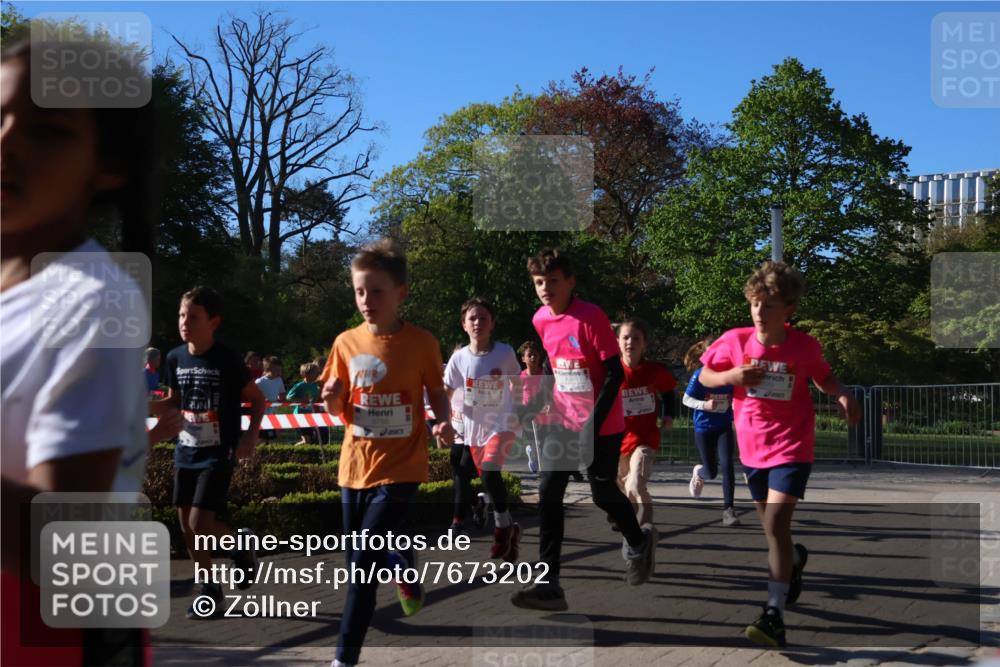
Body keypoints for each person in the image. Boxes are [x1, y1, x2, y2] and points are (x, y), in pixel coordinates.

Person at [1, 33, 155, 666]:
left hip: (46, 637)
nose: (8, 140)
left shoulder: (94, 302)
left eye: (48, 131)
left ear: (108, 163)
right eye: (1, 115)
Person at [698, 261, 861, 648]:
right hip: (752, 447)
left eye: (768, 305)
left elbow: (824, 377)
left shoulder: (804, 346)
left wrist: (842, 394)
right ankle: (795, 561)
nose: (759, 312)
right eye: (755, 303)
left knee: (774, 525)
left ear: (788, 309)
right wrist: (730, 378)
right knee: (776, 534)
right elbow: (705, 377)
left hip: (793, 445)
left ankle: (774, 615)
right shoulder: (734, 341)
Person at [319, 239, 454, 667]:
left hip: (402, 466)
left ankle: (344, 658)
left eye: (376, 291)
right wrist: (331, 399)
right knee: (356, 557)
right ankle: (404, 563)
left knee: (360, 570)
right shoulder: (345, 342)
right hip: (353, 466)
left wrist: (444, 420)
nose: (366, 300)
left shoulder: (422, 343)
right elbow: (337, 403)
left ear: (401, 293)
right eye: (360, 291)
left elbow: (435, 391)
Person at [512, 248, 656, 613]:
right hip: (562, 418)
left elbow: (613, 374)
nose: (546, 289)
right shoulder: (540, 319)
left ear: (570, 282)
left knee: (602, 492)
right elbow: (557, 369)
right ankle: (549, 585)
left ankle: (639, 542)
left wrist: (591, 424)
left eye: (553, 282)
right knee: (548, 491)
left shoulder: (590, 318)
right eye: (539, 283)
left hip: (602, 423)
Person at [158, 287, 266, 619]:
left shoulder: (226, 359)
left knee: (199, 522)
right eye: (181, 315)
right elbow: (175, 401)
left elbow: (259, 399)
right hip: (186, 449)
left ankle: (240, 545)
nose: (184, 322)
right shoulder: (175, 357)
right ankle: (209, 588)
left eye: (193, 316)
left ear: (213, 321)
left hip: (219, 451)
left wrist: (250, 435)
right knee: (185, 525)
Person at [444, 298, 523, 561]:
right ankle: (509, 527)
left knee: (489, 474)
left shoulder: (505, 352)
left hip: (502, 425)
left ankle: (502, 527)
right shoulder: (458, 358)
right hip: (474, 430)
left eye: (483, 318)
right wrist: (442, 421)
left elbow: (517, 382)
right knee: (480, 476)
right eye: (472, 318)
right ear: (464, 325)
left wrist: (521, 408)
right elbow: (446, 391)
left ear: (492, 324)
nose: (478, 322)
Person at [616, 317, 676, 527]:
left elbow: (669, 392)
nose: (630, 342)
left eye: (636, 338)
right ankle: (630, 525)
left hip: (646, 439)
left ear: (644, 344)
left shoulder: (653, 371)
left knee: (636, 484)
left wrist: (668, 415)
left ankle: (647, 530)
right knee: (624, 486)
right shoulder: (612, 371)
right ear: (618, 342)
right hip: (618, 440)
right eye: (625, 338)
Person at [682, 339, 738, 526]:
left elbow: (739, 398)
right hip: (704, 428)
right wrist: (704, 405)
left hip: (723, 426)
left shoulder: (730, 376)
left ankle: (729, 510)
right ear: (705, 356)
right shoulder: (700, 375)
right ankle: (700, 473)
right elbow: (686, 399)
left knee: (727, 464)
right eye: (711, 353)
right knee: (712, 472)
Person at [287, 361, 321, 445]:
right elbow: (288, 397)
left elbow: (315, 398)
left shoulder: (315, 386)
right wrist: (301, 399)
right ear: (306, 374)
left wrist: (315, 399)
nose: (317, 375)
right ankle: (291, 451)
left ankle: (292, 447)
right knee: (307, 441)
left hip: (309, 416)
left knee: (309, 441)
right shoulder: (299, 386)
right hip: (299, 416)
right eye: (315, 373)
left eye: (317, 373)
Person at [255, 355, 285, 442]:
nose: (279, 372)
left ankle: (266, 454)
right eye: (277, 370)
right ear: (269, 369)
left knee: (273, 437)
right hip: (261, 415)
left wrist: (277, 401)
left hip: (274, 414)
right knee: (261, 437)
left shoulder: (279, 380)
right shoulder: (259, 382)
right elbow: (253, 397)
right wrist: (263, 401)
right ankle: (249, 453)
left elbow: (282, 396)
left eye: (280, 370)